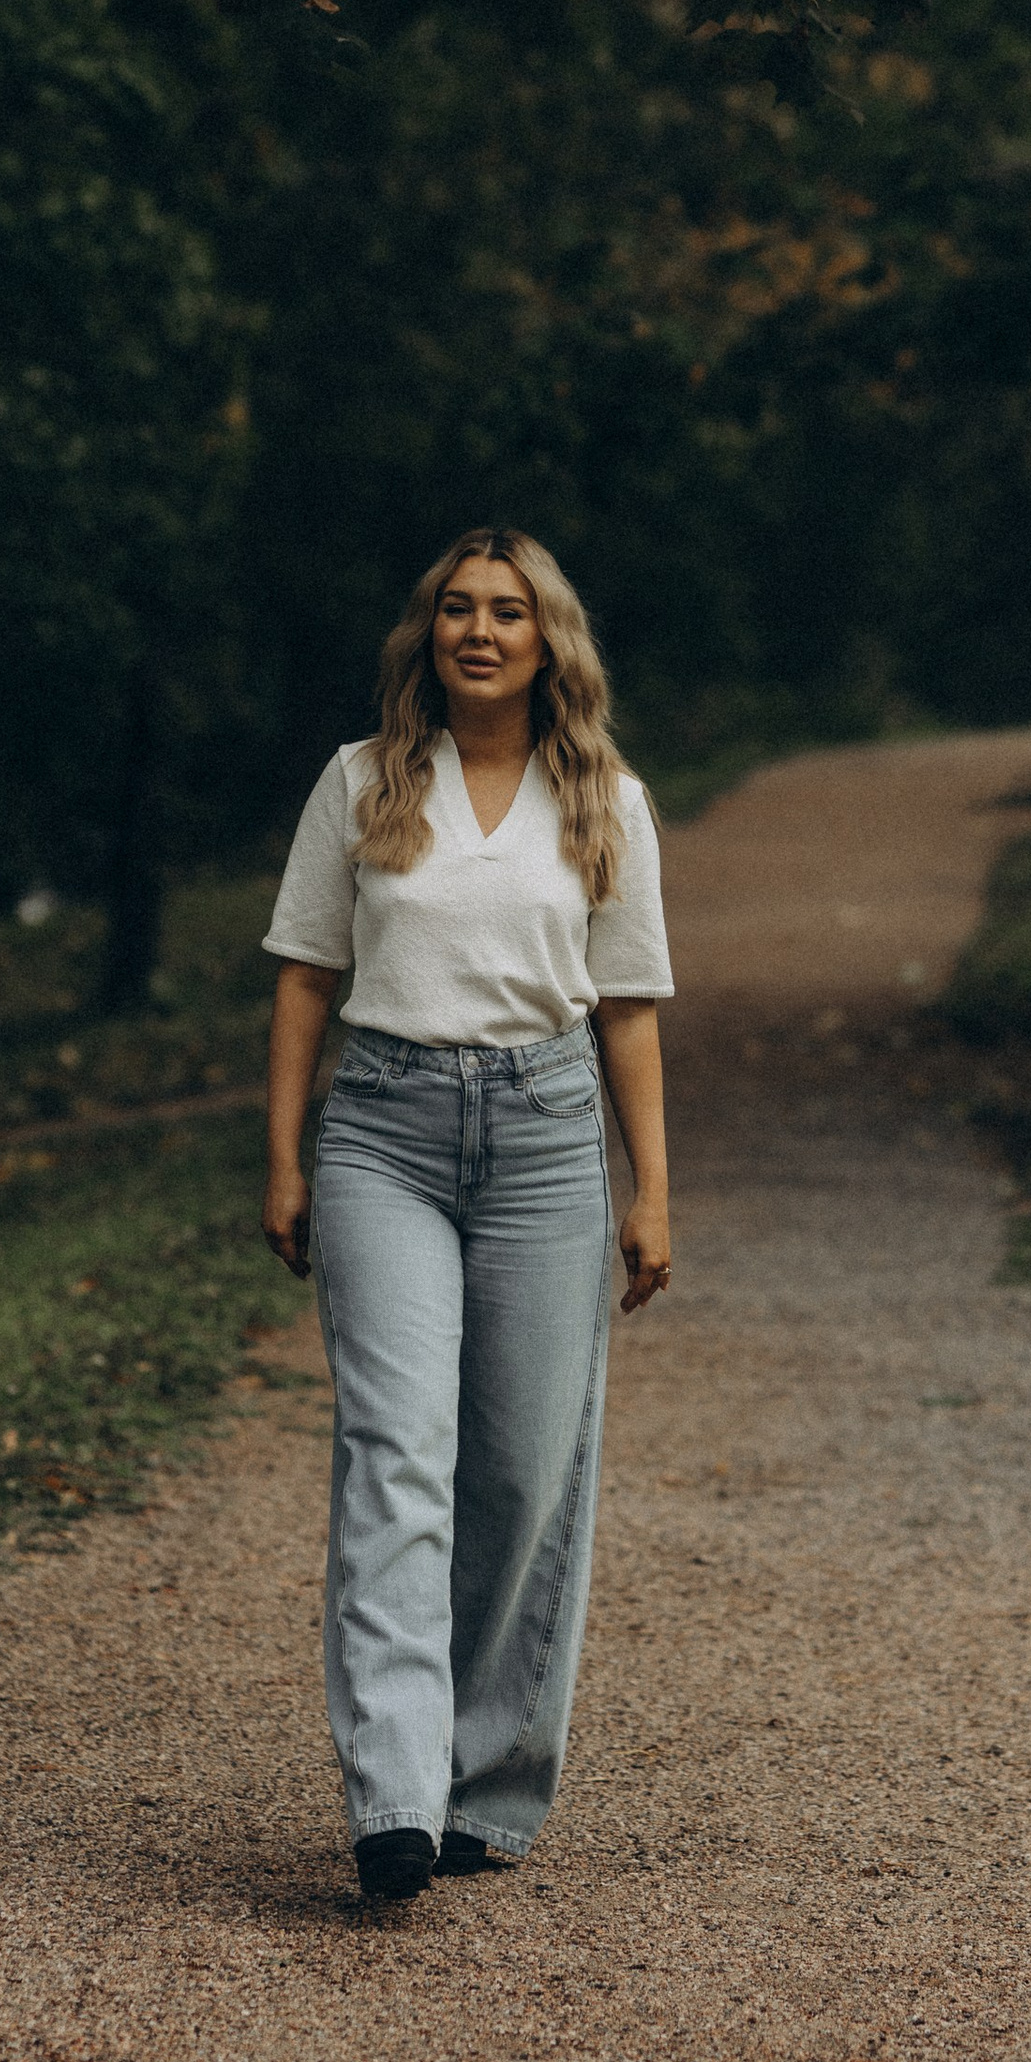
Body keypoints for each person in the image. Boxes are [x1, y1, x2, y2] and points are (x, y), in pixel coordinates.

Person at [260, 528, 673, 1904]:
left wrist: (651, 1189)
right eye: (455, 608)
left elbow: (626, 1009)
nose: (477, 631)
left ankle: (482, 1782)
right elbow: (309, 975)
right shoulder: (363, 783)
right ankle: (393, 1791)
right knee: (397, 1449)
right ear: (426, 634)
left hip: (550, 1144)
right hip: (382, 1132)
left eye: (507, 612)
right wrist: (285, 1158)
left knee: (518, 1469)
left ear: (550, 641)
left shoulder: (606, 801)